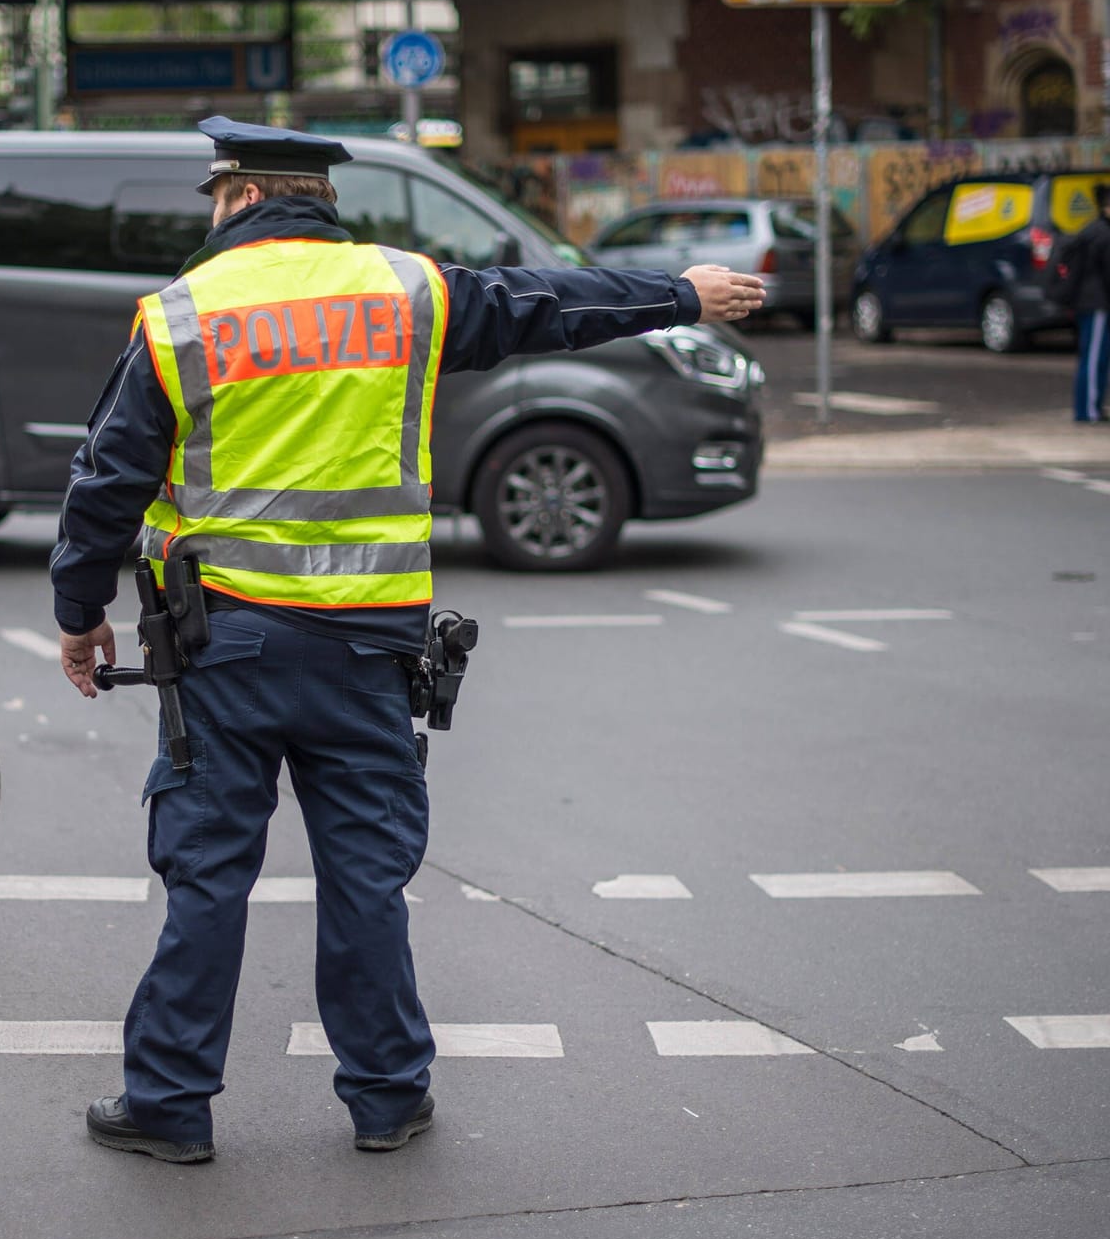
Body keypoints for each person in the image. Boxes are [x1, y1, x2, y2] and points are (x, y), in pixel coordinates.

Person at [52, 117, 765, 1164]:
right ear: (319, 198)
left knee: (206, 877)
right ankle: (386, 1095)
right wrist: (683, 295)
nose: (211, 214)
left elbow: (105, 482)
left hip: (226, 653)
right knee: (364, 880)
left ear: (243, 196)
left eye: (215, 197)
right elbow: (548, 307)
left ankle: (169, 1102)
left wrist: (80, 615)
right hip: (369, 654)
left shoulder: (181, 314)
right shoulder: (410, 292)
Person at [1062, 184, 1110, 423]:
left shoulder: (1092, 229)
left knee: (1092, 356)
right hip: (1096, 304)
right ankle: (1088, 411)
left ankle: (1089, 408)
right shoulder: (1103, 233)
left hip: (1087, 302)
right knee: (1094, 358)